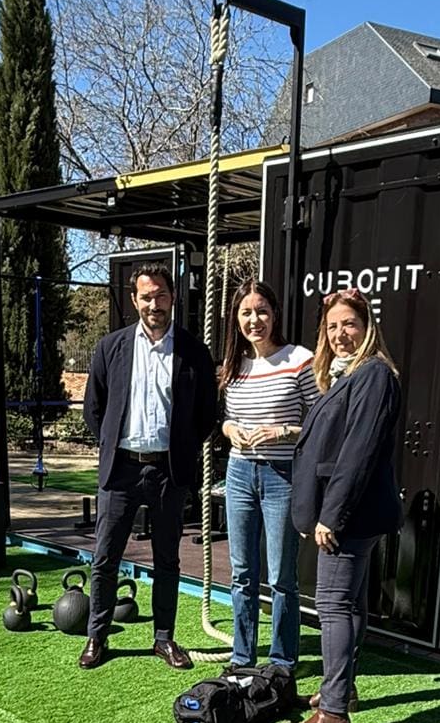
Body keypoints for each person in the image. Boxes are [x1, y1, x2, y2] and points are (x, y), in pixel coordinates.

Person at [80, 263, 218, 670]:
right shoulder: (111, 347)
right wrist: (112, 444)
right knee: (105, 558)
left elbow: (206, 414)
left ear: (172, 298)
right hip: (120, 470)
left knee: (167, 561)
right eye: (146, 297)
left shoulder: (194, 352)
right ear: (134, 300)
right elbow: (94, 409)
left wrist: (182, 450)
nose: (154, 304)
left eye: (161, 295)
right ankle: (96, 637)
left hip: (168, 472)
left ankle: (164, 638)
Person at [283, 288, 402, 723]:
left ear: (367, 326)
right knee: (349, 605)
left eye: (348, 323)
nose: (339, 334)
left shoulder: (373, 374)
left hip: (348, 516)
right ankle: (341, 691)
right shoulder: (350, 375)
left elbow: (359, 451)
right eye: (332, 327)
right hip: (353, 512)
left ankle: (332, 713)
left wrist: (331, 515)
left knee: (333, 606)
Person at [220, 278, 318, 674]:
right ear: (236, 318)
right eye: (246, 312)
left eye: (261, 311)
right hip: (239, 472)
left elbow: (321, 422)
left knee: (280, 576)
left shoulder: (299, 359)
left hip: (282, 475)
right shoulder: (234, 364)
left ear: (274, 314)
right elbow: (227, 419)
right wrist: (231, 430)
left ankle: (281, 660)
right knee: (242, 573)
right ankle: (242, 657)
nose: (254, 320)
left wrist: (283, 432)